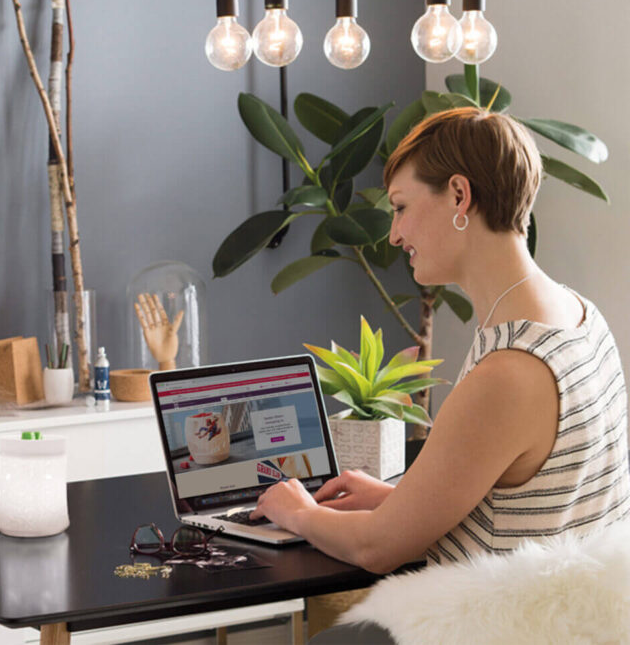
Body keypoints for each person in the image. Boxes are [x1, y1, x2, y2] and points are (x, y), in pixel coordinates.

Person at [250, 107, 630, 578]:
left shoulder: (510, 371)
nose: (393, 234)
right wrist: (399, 501)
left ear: (458, 195)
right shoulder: (579, 316)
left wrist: (295, 512)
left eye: (401, 207)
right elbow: (534, 509)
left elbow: (375, 549)